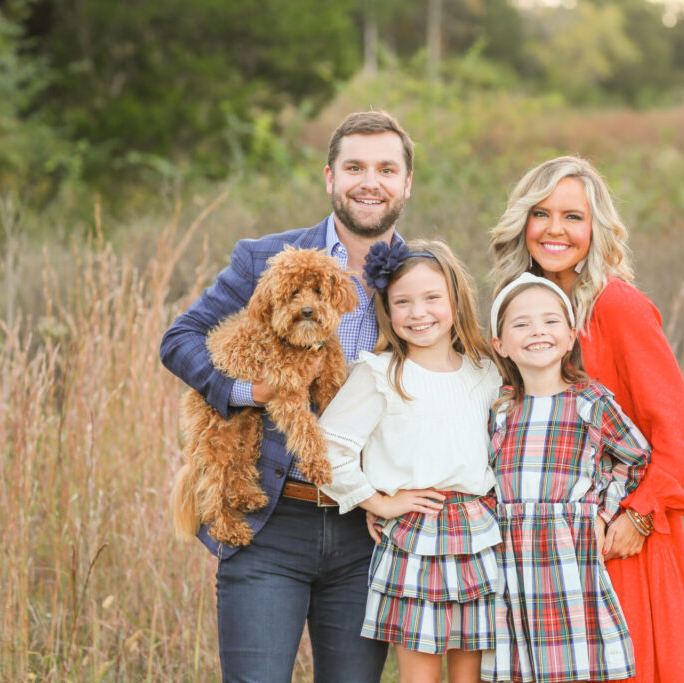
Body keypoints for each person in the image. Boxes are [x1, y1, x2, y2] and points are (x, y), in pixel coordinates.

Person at [159, 110, 414, 683]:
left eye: (386, 169)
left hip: (368, 533)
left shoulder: (422, 277)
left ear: (406, 184)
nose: (369, 182)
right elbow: (179, 340)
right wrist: (247, 392)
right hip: (270, 524)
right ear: (330, 177)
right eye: (354, 167)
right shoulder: (265, 259)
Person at [489, 156, 684, 682]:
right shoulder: (524, 308)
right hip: (541, 556)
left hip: (617, 545)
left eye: (573, 217)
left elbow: (678, 434)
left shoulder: (616, 306)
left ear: (596, 228)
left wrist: (638, 517)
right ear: (522, 222)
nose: (554, 229)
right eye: (541, 213)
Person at [316, 239, 503, 683]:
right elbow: (326, 447)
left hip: (477, 534)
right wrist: (376, 501)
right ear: (387, 310)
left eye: (432, 298)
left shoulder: (485, 373)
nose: (418, 313)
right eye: (402, 302)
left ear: (456, 301)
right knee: (420, 675)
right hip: (417, 536)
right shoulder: (381, 373)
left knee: (471, 674)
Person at [481, 273, 652, 683]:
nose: (537, 331)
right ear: (500, 345)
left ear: (571, 336)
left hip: (568, 551)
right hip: (510, 553)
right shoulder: (500, 408)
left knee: (571, 665)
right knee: (517, 665)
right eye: (521, 324)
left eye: (550, 321)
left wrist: (603, 512)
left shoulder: (591, 401)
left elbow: (635, 457)